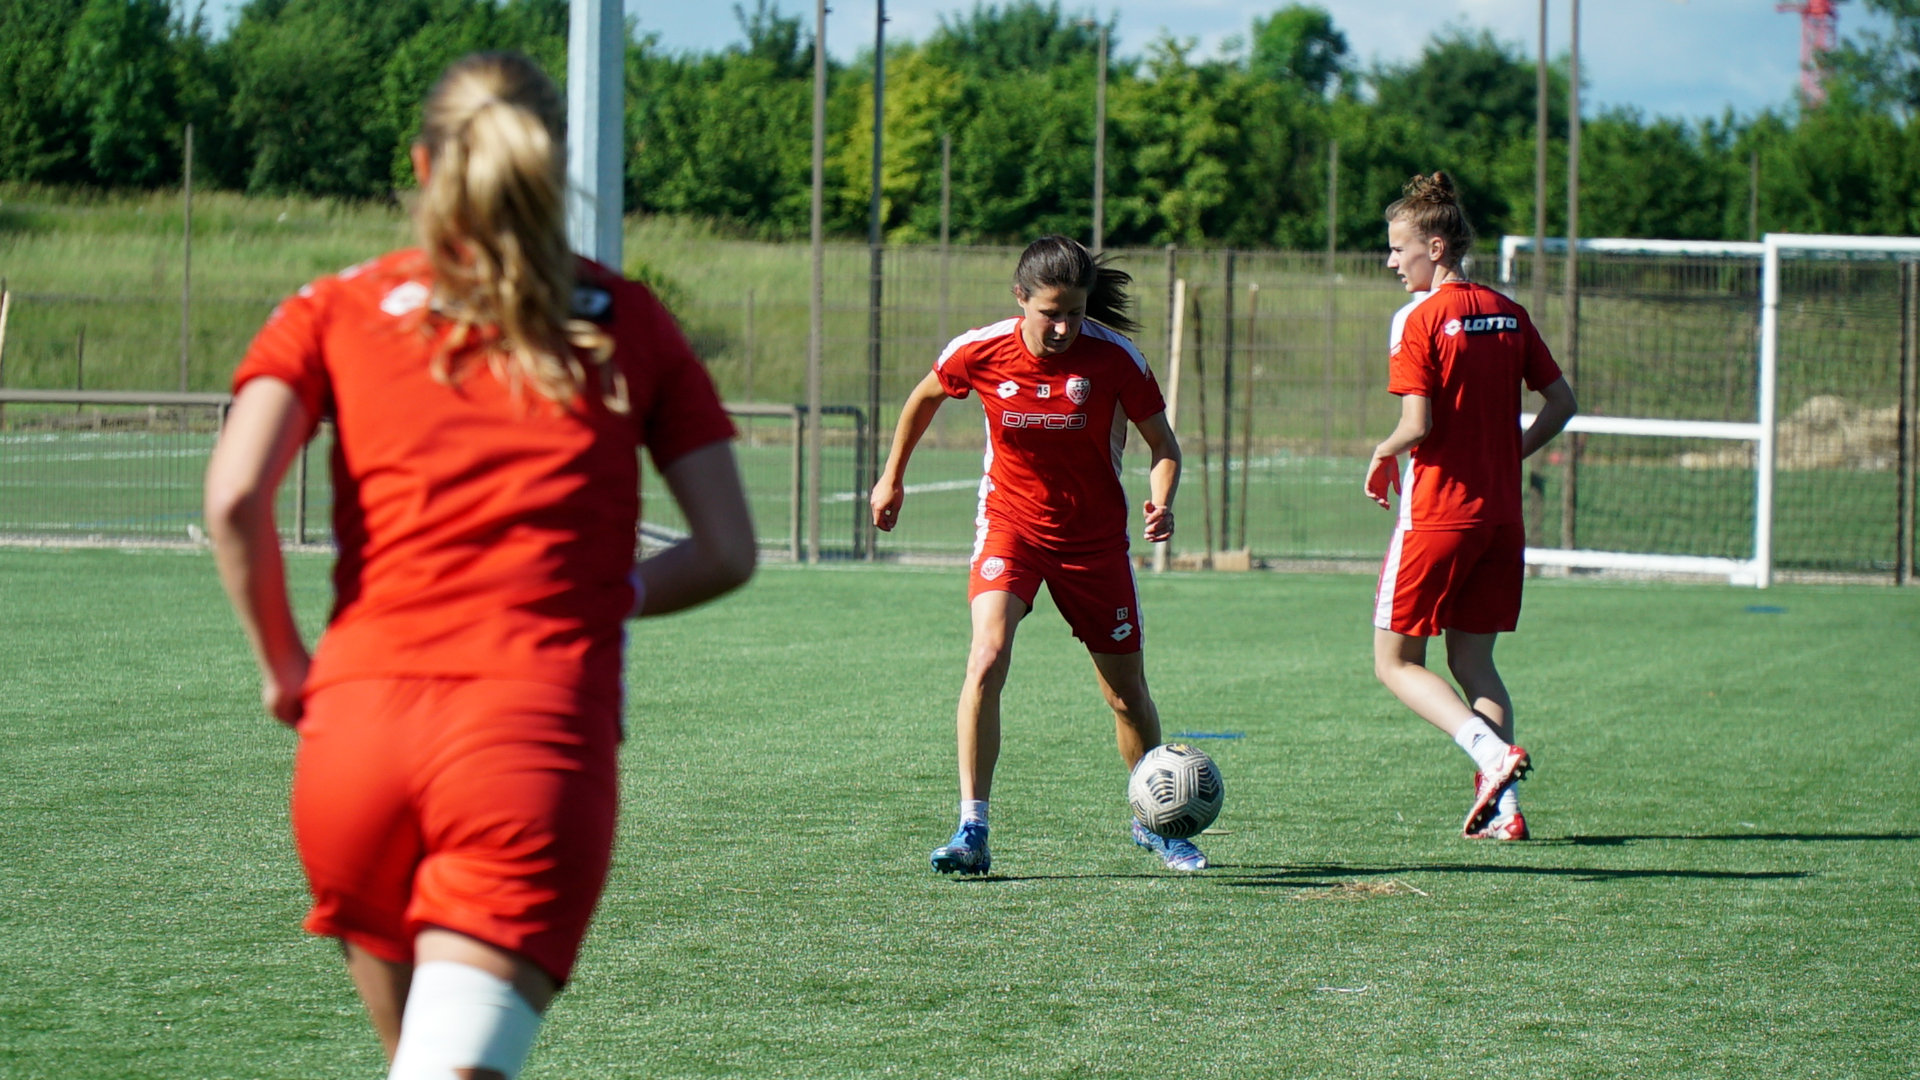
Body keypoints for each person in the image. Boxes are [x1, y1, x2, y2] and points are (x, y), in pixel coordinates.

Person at [203, 53, 755, 1080]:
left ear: (423, 163)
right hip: (525, 747)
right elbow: (728, 550)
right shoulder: (627, 319)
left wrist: (285, 670)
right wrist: (602, 595)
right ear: (554, 172)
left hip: (351, 749)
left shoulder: (331, 304)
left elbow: (234, 499)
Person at [870, 235, 1203, 874]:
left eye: (1075, 312)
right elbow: (924, 398)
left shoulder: (1115, 359)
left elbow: (1164, 445)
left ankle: (1154, 821)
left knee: (1126, 695)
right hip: (1011, 528)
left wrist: (1162, 498)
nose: (1063, 327)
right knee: (987, 656)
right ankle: (972, 828)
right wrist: (893, 477)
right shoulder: (980, 350)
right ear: (1020, 298)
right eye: (1051, 312)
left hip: (1094, 544)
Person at [1365, 172, 1578, 841]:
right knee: (1475, 664)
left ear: (1435, 245)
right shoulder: (1508, 310)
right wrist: (1511, 454)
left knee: (1394, 662)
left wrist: (1380, 451)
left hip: (1438, 514)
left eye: (1399, 249)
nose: (1392, 262)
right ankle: (1505, 814)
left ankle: (1490, 756)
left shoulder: (1421, 317)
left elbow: (1418, 424)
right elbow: (1563, 403)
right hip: (1500, 520)